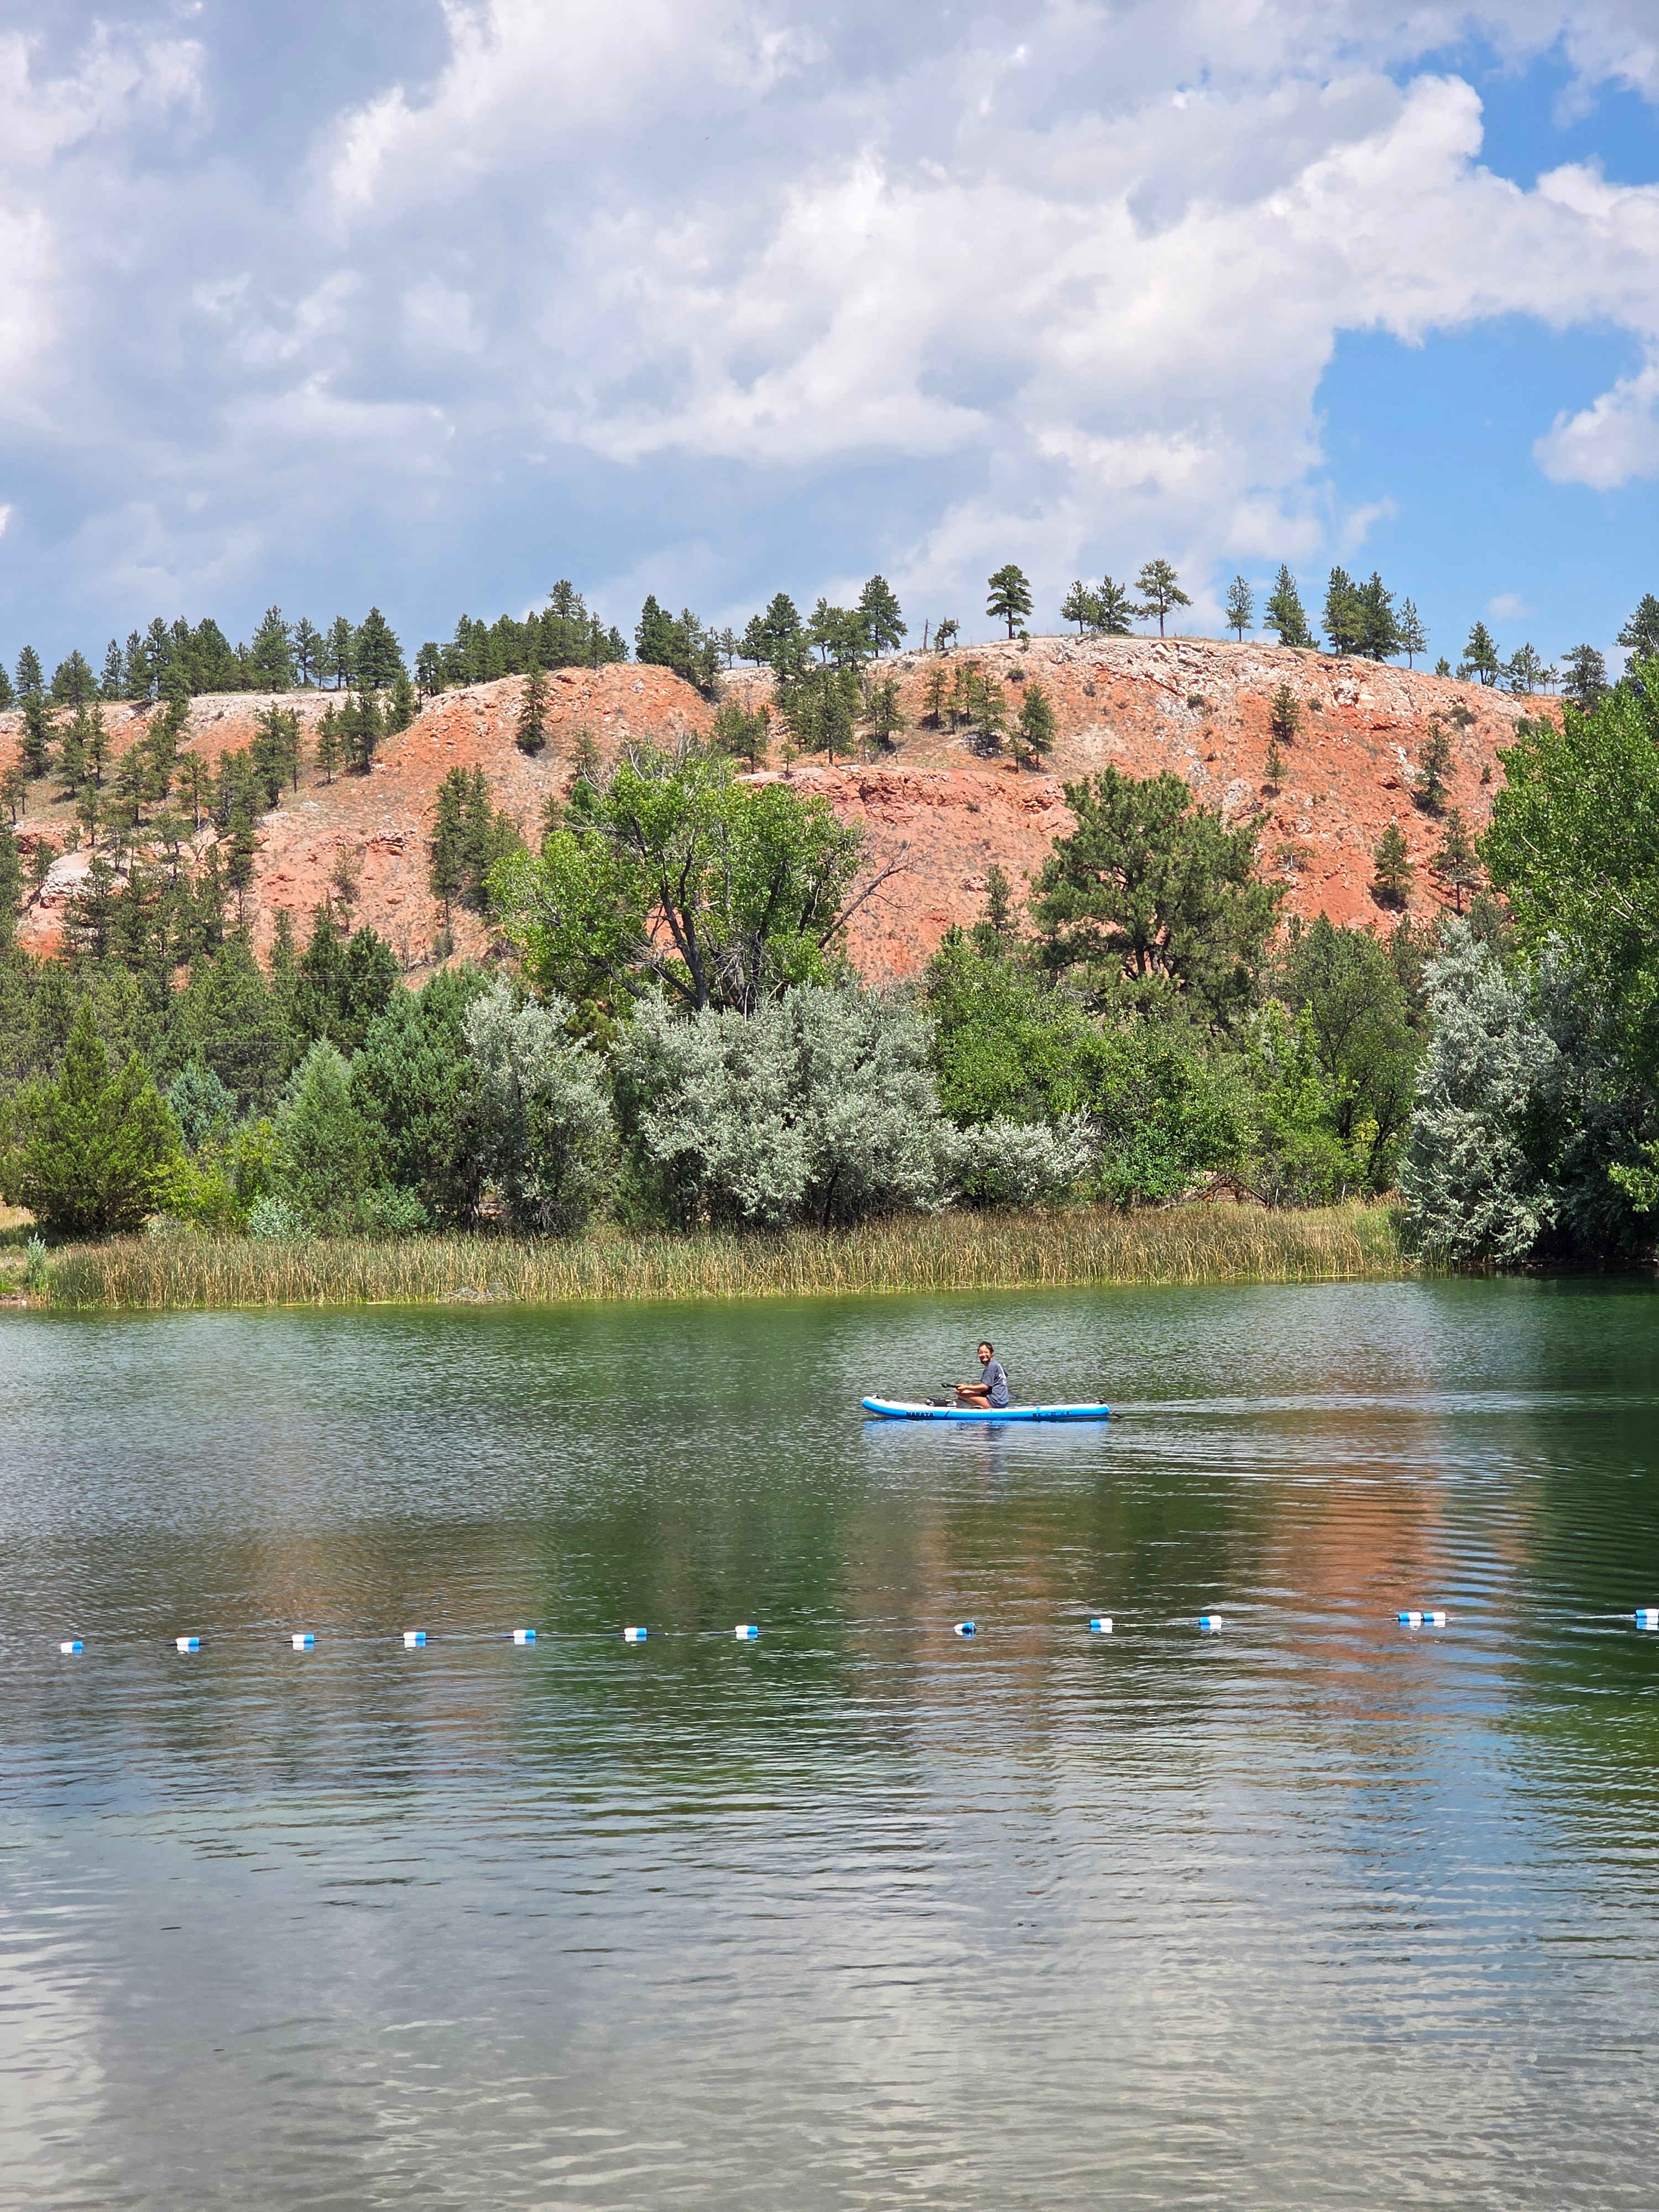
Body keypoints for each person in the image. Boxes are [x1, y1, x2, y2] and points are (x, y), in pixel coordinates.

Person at [955, 1342, 1010, 1409]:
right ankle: (975, 1406)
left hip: (995, 1403)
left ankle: (968, 1410)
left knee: (961, 1392)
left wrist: (966, 1387)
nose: (983, 1355)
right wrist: (970, 1386)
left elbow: (985, 1387)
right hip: (1003, 1401)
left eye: (986, 1352)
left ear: (992, 1353)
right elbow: (1005, 1375)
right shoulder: (997, 1364)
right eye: (981, 1353)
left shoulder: (991, 1368)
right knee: (970, 1390)